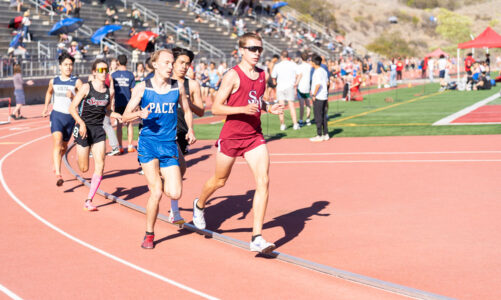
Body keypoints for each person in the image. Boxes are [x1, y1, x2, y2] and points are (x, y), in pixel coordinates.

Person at [192, 33, 283, 254]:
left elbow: (255, 99)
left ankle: (257, 237)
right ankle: (199, 204)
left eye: (259, 49)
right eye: (252, 49)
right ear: (241, 50)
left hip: (254, 136)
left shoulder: (262, 74)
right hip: (231, 136)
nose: (256, 53)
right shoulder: (232, 75)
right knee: (219, 181)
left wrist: (267, 108)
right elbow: (215, 108)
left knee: (263, 181)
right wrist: (242, 109)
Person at [122, 49, 196, 249]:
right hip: (148, 145)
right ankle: (149, 234)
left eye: (172, 63)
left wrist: (190, 129)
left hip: (169, 145)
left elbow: (187, 111)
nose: (171, 67)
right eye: (166, 63)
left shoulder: (177, 87)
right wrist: (139, 113)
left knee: (175, 193)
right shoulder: (142, 88)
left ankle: (161, 177)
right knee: (156, 193)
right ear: (155, 65)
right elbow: (124, 116)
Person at [69, 59, 122, 211]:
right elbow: (72, 108)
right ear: (94, 72)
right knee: (84, 168)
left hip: (98, 130)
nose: (103, 72)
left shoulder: (108, 92)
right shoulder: (86, 87)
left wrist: (115, 114)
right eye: (100, 70)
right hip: (83, 128)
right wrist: (82, 123)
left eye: (105, 69)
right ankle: (82, 150)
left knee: (101, 165)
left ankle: (89, 199)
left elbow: (106, 110)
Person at [42, 53, 83, 186]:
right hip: (57, 115)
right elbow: (49, 92)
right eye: (66, 64)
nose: (68, 67)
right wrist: (45, 107)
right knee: (57, 142)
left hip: (70, 118)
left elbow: (82, 98)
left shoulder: (76, 82)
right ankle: (58, 173)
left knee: (64, 146)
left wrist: (73, 96)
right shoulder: (54, 81)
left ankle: (57, 160)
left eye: (71, 65)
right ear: (60, 66)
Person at [171, 47, 205, 176]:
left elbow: (201, 112)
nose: (184, 67)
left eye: (187, 64)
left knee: (178, 170)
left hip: (182, 133)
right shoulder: (164, 82)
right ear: (173, 62)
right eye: (181, 62)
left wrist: (188, 103)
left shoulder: (192, 85)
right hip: (165, 131)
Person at [112, 54, 136, 153]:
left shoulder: (113, 75)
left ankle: (120, 146)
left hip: (118, 102)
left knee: (119, 125)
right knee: (129, 124)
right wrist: (135, 104)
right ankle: (130, 146)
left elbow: (111, 91)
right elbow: (133, 91)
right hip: (128, 103)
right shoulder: (130, 75)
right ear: (127, 62)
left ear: (118, 62)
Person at [272, 50, 299, 130]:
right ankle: (295, 124)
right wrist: (296, 82)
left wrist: (275, 83)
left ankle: (282, 125)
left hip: (280, 87)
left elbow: (273, 76)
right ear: (288, 56)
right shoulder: (293, 64)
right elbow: (299, 74)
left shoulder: (277, 65)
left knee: (281, 106)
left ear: (281, 56)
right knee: (291, 105)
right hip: (290, 86)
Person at [309, 55, 329, 142]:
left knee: (318, 116)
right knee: (323, 115)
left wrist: (314, 94)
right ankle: (326, 134)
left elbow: (318, 84)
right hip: (324, 95)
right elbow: (327, 83)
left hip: (319, 96)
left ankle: (319, 134)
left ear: (313, 62)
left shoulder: (317, 72)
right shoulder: (323, 71)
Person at [295, 52, 312, 127]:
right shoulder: (310, 66)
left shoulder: (299, 66)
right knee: (308, 104)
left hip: (301, 87)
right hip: (308, 87)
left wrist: (296, 83)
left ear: (301, 58)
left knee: (301, 105)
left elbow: (298, 76)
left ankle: (301, 120)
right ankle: (308, 119)